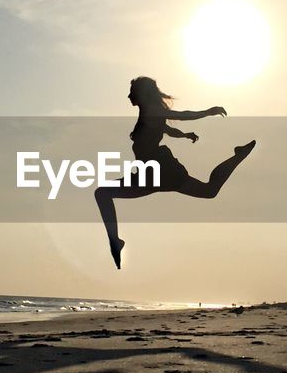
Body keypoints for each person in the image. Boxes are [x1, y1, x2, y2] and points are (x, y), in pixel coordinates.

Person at [94, 76, 255, 269]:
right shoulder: (149, 113)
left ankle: (114, 241)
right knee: (209, 191)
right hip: (151, 171)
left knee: (102, 193)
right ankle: (238, 155)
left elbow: (182, 115)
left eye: (132, 92)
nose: (129, 96)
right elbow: (168, 130)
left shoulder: (152, 110)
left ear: (141, 93)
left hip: (157, 170)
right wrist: (185, 135)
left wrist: (207, 112)